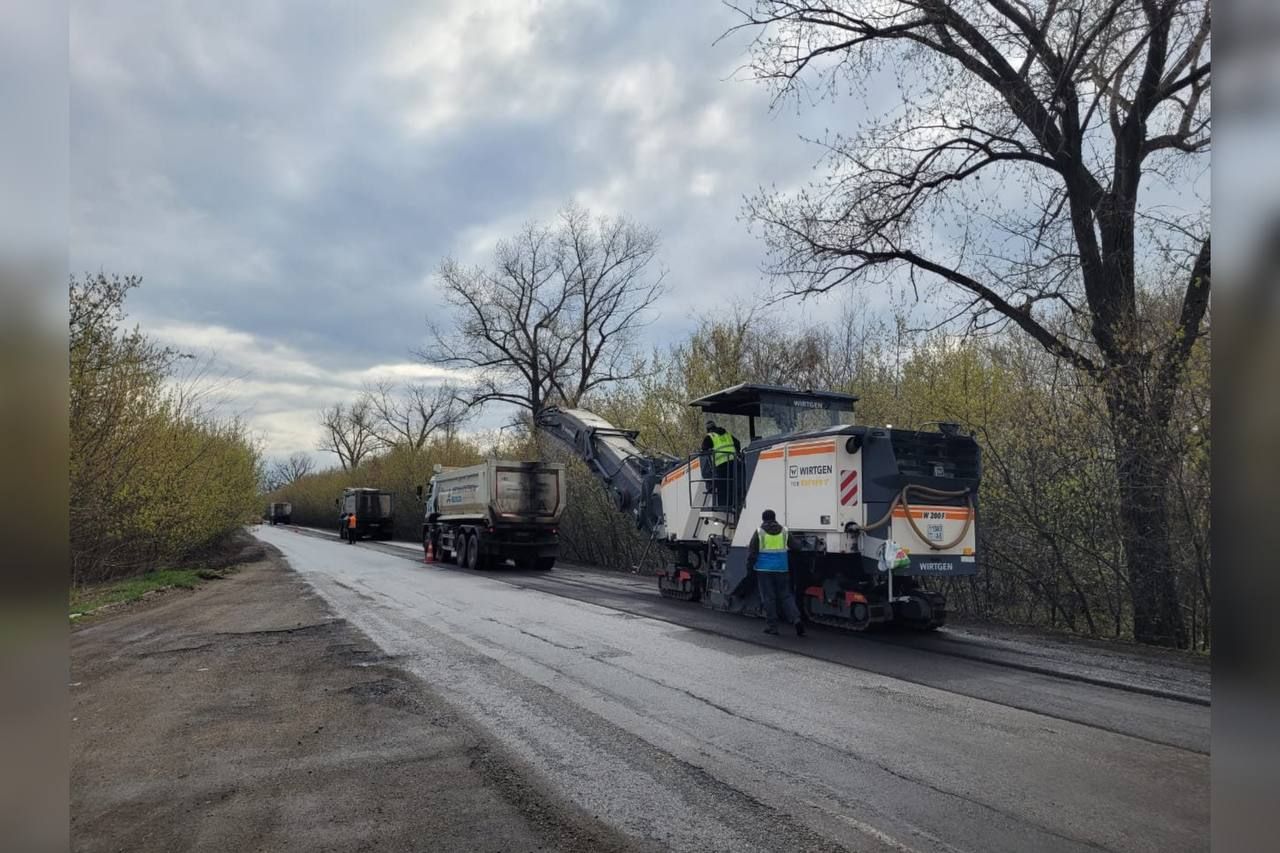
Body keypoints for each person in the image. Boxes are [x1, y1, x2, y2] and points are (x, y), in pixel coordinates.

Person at [746, 509, 804, 636]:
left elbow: (752, 554)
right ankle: (796, 619)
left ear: (763, 519)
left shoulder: (759, 532)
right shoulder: (784, 531)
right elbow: (797, 547)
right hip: (782, 569)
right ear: (774, 518)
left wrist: (749, 568)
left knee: (769, 598)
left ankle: (773, 627)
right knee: (786, 596)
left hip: (763, 570)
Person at [701, 419, 740, 507]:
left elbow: (704, 448)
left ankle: (723, 506)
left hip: (721, 465)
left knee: (722, 486)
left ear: (707, 429)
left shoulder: (710, 436)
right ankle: (733, 504)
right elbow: (737, 443)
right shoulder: (727, 434)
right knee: (732, 484)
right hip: (733, 463)